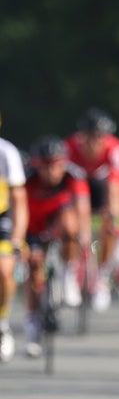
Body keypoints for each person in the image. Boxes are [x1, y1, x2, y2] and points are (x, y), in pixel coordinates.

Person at [23, 136, 93, 357]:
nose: (51, 171)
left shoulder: (74, 176)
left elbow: (82, 211)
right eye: (45, 166)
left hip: (60, 227)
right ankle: (33, 325)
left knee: (70, 224)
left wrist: (84, 238)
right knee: (34, 273)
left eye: (56, 165)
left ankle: (68, 273)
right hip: (32, 228)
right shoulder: (26, 178)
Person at [65, 108, 119, 311]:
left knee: (111, 225)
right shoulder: (69, 147)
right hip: (77, 185)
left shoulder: (116, 149)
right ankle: (70, 269)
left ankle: (101, 274)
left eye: (100, 137)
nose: (94, 142)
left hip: (103, 187)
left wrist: (116, 219)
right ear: (81, 135)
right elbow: (65, 190)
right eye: (89, 137)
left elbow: (116, 189)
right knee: (71, 223)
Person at [0, 112, 28, 362]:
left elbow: (19, 200)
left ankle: (3, 322)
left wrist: (17, 238)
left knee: (4, 270)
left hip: (3, 218)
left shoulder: (6, 152)